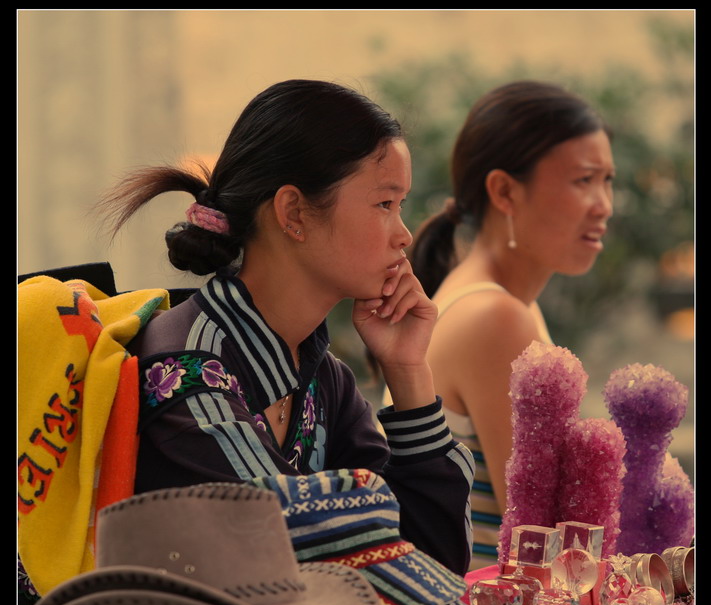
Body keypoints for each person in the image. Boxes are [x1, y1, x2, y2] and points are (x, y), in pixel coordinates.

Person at [100, 79, 475, 576]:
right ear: (293, 212)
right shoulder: (185, 373)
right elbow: (306, 558)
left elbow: (436, 561)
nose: (403, 235)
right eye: (385, 204)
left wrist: (407, 373)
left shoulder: (322, 377)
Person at [409, 80, 614, 569]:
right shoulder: (494, 317)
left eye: (608, 181)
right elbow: (541, 546)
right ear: (504, 190)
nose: (604, 204)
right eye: (584, 180)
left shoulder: (506, 305)